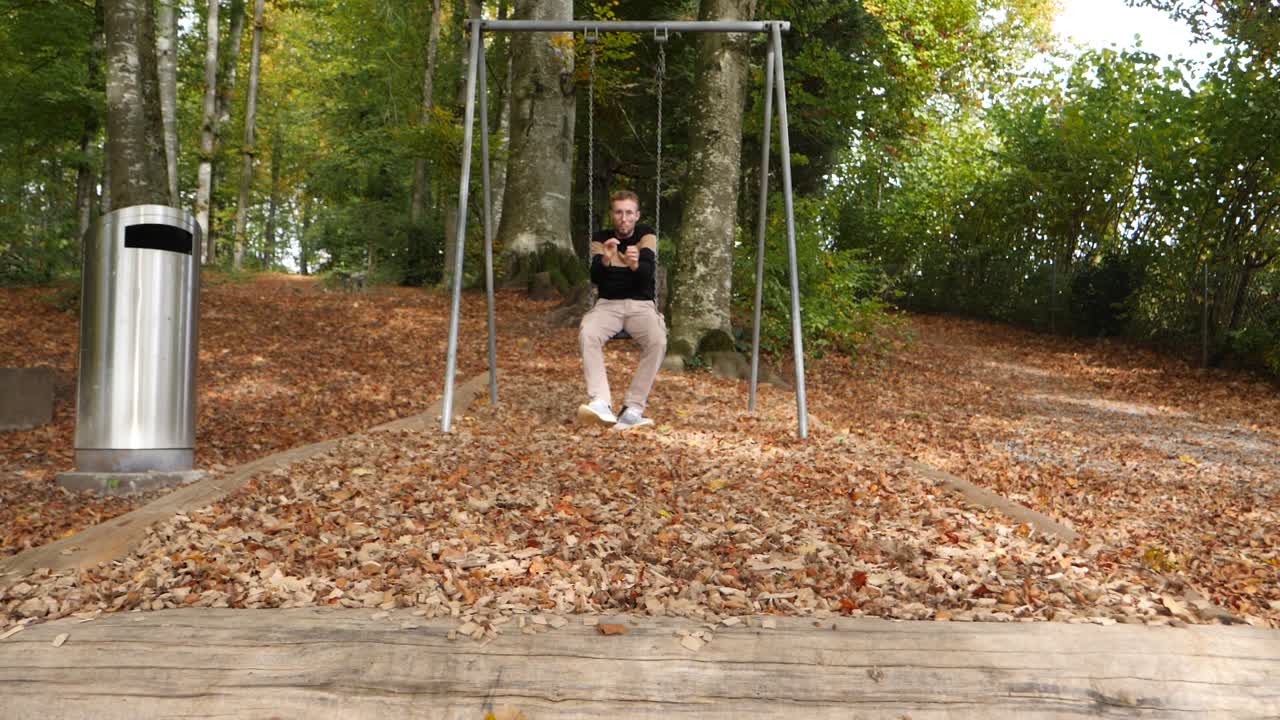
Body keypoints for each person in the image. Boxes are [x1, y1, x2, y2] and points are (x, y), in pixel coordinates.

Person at [577, 190, 666, 430]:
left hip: (641, 305)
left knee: (658, 340)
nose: (623, 218)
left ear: (637, 215)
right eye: (618, 212)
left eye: (628, 213)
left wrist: (635, 264)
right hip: (608, 305)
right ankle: (601, 402)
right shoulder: (601, 238)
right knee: (588, 333)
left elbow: (647, 274)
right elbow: (596, 277)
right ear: (612, 214)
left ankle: (632, 409)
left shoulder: (646, 235)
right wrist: (606, 259)